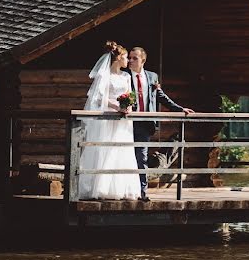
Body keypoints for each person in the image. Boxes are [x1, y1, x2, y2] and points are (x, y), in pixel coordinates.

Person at [127, 47, 194, 201]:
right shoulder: (124, 76)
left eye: (134, 58)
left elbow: (161, 97)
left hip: (144, 124)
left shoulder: (152, 77)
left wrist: (180, 109)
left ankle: (142, 193)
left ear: (143, 60)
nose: (130, 61)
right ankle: (123, 190)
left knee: (141, 158)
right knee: (123, 156)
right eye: (129, 58)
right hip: (126, 124)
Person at [77, 41, 141, 200]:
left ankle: (119, 188)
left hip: (123, 119)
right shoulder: (105, 75)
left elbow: (129, 95)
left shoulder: (126, 76)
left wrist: (128, 107)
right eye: (126, 57)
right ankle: (100, 188)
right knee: (105, 149)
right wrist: (117, 106)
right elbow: (99, 98)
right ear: (118, 58)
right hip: (107, 118)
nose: (128, 60)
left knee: (121, 150)